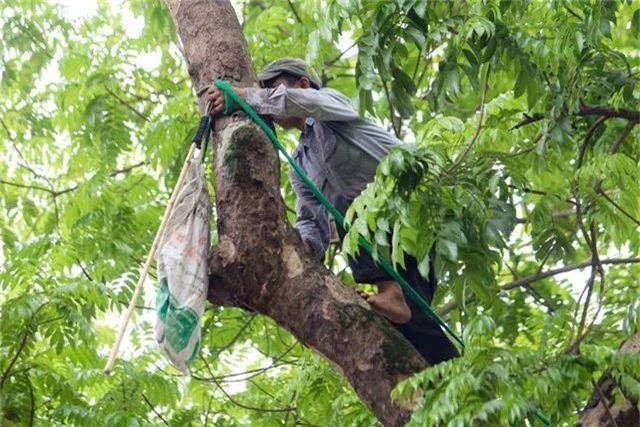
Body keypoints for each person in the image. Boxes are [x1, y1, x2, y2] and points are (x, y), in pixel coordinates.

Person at [206, 58, 459, 365]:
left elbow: (298, 102)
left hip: (415, 211)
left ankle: (392, 293)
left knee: (352, 207)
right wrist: (297, 250)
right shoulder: (301, 165)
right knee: (413, 326)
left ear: (302, 84)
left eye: (273, 88)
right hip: (388, 243)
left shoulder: (332, 105)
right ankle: (450, 378)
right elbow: (312, 222)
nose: (270, 98)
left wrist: (244, 96)